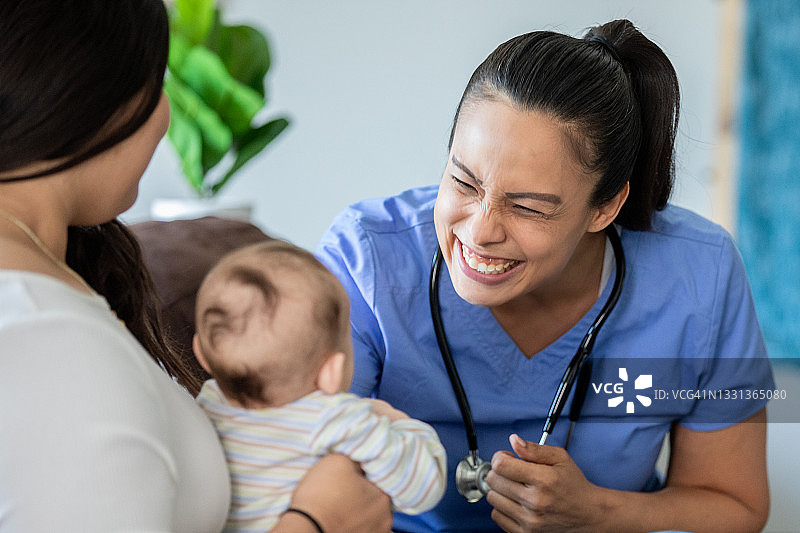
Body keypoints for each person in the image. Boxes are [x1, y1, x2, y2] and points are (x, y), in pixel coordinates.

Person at [316, 19, 773, 533]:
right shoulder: (368, 259)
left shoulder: (698, 274)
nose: (481, 229)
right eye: (463, 181)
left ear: (606, 207)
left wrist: (597, 513)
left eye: (528, 207)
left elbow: (733, 505)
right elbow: (307, 475)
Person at [0, 2, 391, 532]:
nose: (163, 117)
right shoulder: (50, 341)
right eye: (154, 80)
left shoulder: (51, 279)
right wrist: (318, 522)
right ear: (84, 96)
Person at [192, 240, 447, 532]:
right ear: (331, 372)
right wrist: (398, 423)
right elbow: (422, 489)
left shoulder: (207, 406)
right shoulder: (336, 419)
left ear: (202, 353)